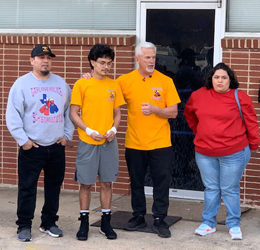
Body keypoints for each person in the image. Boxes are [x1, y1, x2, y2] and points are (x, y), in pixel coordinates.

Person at [6, 44, 74, 242]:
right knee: (27, 188)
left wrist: (67, 135)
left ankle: (49, 222)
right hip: (32, 147)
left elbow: (69, 112)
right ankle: (24, 225)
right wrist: (23, 141)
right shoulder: (21, 84)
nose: (45, 61)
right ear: (32, 60)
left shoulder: (61, 84)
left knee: (54, 187)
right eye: (41, 57)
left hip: (55, 146)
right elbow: (13, 115)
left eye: (49, 57)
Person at [184, 62, 259, 240]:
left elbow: (251, 123)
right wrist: (200, 132)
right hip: (205, 153)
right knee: (211, 188)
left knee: (229, 189)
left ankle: (233, 224)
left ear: (230, 80)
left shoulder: (240, 97)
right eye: (216, 77)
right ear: (210, 79)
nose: (219, 81)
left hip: (233, 152)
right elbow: (189, 115)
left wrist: (254, 145)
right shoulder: (198, 95)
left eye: (224, 77)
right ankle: (208, 223)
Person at [117, 41, 181, 238]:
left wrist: (155, 110)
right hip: (134, 142)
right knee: (136, 182)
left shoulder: (165, 81)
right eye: (147, 57)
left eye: (153, 57)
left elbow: (174, 112)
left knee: (161, 182)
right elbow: (106, 93)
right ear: (138, 59)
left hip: (160, 143)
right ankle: (138, 216)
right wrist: (87, 76)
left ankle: (160, 219)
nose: (151, 60)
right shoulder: (124, 81)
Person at [70, 44, 125, 241]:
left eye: (109, 63)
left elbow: (118, 112)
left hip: (108, 142)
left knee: (107, 182)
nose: (106, 67)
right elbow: (73, 113)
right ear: (92, 62)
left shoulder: (114, 85)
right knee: (85, 183)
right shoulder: (81, 84)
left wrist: (114, 129)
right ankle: (84, 222)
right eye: (102, 63)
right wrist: (88, 130)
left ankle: (105, 222)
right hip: (88, 141)